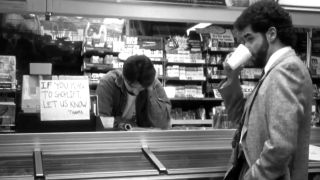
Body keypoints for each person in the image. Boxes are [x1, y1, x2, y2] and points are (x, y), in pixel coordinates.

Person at [219, 1, 313, 180]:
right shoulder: (273, 71)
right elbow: (241, 119)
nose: (246, 47)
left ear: (271, 34)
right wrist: (232, 77)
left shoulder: (286, 70)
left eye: (249, 38)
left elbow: (280, 148)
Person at [96, 55, 171, 130]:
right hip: (114, 138)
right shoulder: (108, 83)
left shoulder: (152, 82)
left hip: (143, 139)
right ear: (123, 76)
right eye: (132, 87)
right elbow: (101, 122)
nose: (136, 92)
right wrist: (131, 125)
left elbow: (163, 124)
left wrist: (151, 90)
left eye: (141, 88)